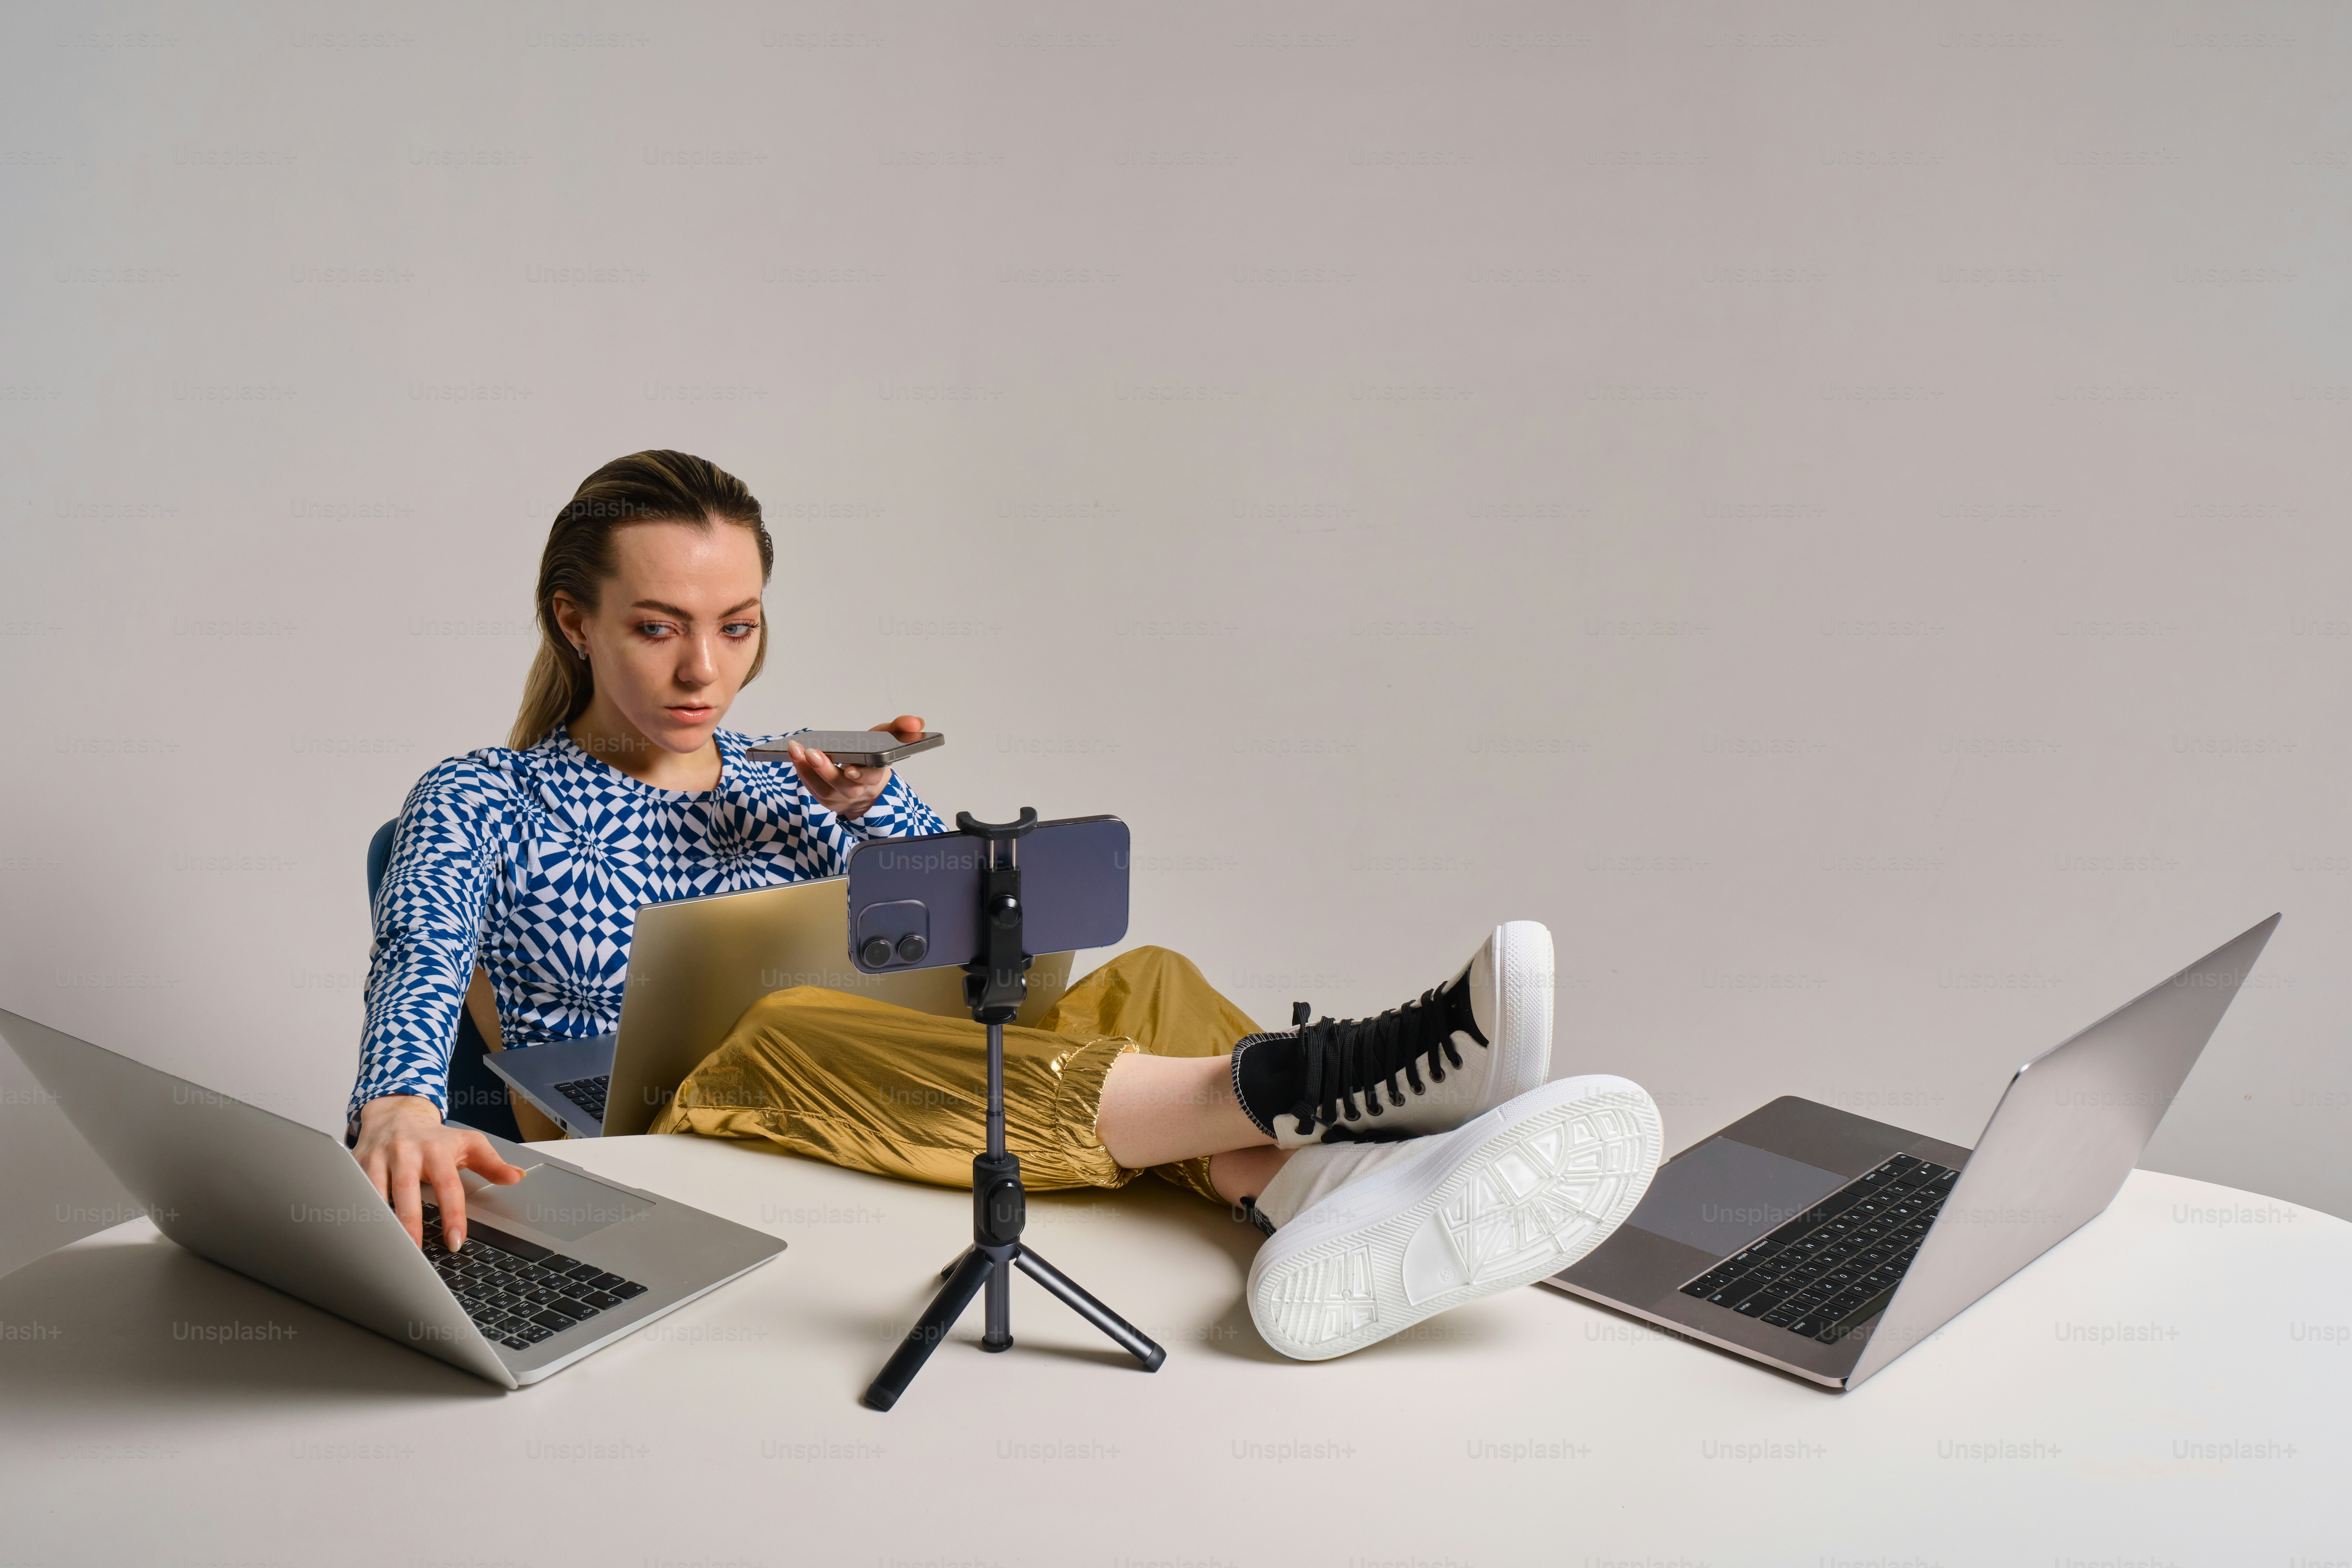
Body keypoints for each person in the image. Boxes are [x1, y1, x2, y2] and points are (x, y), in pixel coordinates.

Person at [351, 450, 1663, 1361]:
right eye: (656, 627)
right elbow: (420, 949)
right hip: (657, 1115)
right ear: (573, 620)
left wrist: (880, 813)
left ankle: (1320, 1201)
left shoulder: (792, 774)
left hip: (888, 1074)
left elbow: (993, 941)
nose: (707, 667)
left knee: (1143, 976)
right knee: (779, 1029)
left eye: (739, 624)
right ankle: (1334, 1085)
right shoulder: (485, 793)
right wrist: (399, 1096)